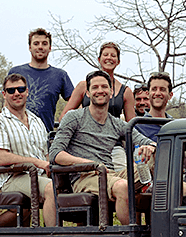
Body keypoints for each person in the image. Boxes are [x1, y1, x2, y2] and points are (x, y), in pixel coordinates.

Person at [50, 70, 170, 224]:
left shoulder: (116, 123)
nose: (100, 91)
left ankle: (159, 229)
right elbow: (55, 154)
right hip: (85, 176)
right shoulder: (74, 117)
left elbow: (146, 140)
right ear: (87, 93)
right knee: (122, 187)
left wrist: (150, 148)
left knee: (155, 159)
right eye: (95, 87)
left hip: (111, 174)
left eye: (104, 87)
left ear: (111, 92)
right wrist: (89, 164)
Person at [0, 73, 56, 226]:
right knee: (51, 188)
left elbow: (46, 154)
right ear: (4, 95)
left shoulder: (37, 121)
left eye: (20, 89)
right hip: (12, 178)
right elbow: (2, 158)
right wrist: (36, 162)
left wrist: (49, 165)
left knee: (69, 186)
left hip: (39, 176)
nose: (16, 93)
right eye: (11, 91)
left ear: (27, 91)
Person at [8, 28, 74, 132]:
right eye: (36, 43)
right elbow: (7, 103)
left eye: (44, 44)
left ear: (50, 48)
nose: (40, 47)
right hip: (16, 133)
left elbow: (75, 102)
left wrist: (64, 121)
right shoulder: (16, 72)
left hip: (45, 135)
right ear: (30, 47)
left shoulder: (60, 75)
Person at [61, 42, 135, 121]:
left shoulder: (125, 91)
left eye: (113, 56)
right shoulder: (83, 86)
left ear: (118, 62)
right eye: (105, 55)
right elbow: (64, 116)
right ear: (99, 59)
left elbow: (131, 124)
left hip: (113, 132)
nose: (109, 58)